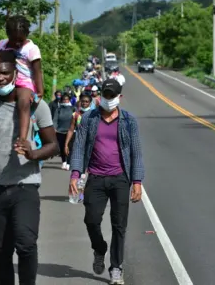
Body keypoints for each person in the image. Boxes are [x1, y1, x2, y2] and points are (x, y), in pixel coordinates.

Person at [0, 49, 59, 285]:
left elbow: (53, 145)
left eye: (5, 73)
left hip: (25, 187)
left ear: (15, 73)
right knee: (0, 251)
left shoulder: (37, 106)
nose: (0, 79)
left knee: (26, 244)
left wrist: (33, 153)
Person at [69, 79, 144, 285]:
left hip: (120, 178)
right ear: (100, 95)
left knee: (119, 225)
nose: (108, 99)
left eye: (112, 96)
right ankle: (99, 248)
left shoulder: (129, 121)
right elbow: (79, 147)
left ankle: (116, 267)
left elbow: (136, 153)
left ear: (119, 97)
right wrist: (75, 173)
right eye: (105, 95)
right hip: (95, 177)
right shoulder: (89, 119)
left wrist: (136, 181)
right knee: (91, 220)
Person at [0, 15, 44, 149]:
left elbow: (37, 71)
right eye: (13, 40)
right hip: (3, 80)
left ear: (27, 34)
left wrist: (40, 90)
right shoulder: (1, 45)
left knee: (23, 101)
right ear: (7, 34)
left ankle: (22, 139)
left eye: (20, 40)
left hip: (24, 82)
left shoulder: (32, 49)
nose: (16, 44)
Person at [64, 92, 92, 157]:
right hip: (78, 143)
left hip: (90, 144)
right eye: (82, 101)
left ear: (90, 103)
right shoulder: (76, 115)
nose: (84, 103)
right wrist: (66, 145)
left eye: (86, 101)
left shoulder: (94, 115)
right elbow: (71, 130)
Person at [53, 93, 75, 170]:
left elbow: (75, 119)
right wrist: (54, 128)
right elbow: (55, 119)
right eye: (64, 99)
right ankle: (64, 162)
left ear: (69, 100)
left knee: (69, 147)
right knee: (62, 147)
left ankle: (68, 163)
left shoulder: (73, 109)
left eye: (67, 99)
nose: (65, 101)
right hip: (60, 131)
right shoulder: (58, 109)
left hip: (70, 131)